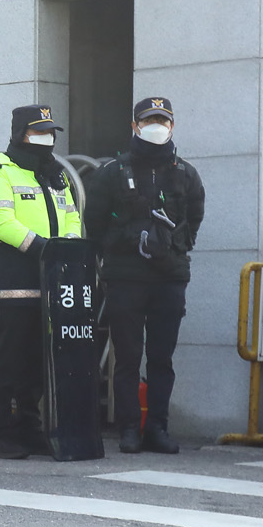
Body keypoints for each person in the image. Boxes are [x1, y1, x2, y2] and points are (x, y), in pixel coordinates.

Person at [84, 98, 206, 454]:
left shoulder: (186, 173)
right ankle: (128, 429)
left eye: (162, 120)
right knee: (127, 356)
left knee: (161, 358)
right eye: (149, 120)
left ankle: (158, 428)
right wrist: (120, 245)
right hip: (125, 277)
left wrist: (174, 245)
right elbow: (94, 222)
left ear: (172, 126)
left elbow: (194, 217)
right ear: (135, 126)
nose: (156, 126)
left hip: (169, 277)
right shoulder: (112, 172)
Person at [0, 104, 82, 459]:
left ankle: (29, 427)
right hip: (13, 281)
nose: (46, 138)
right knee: (9, 361)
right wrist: (42, 249)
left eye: (50, 132)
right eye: (39, 131)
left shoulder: (56, 175)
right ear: (21, 133)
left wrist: (67, 248)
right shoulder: (0, 172)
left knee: (38, 362)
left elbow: (71, 216)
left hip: (52, 282)